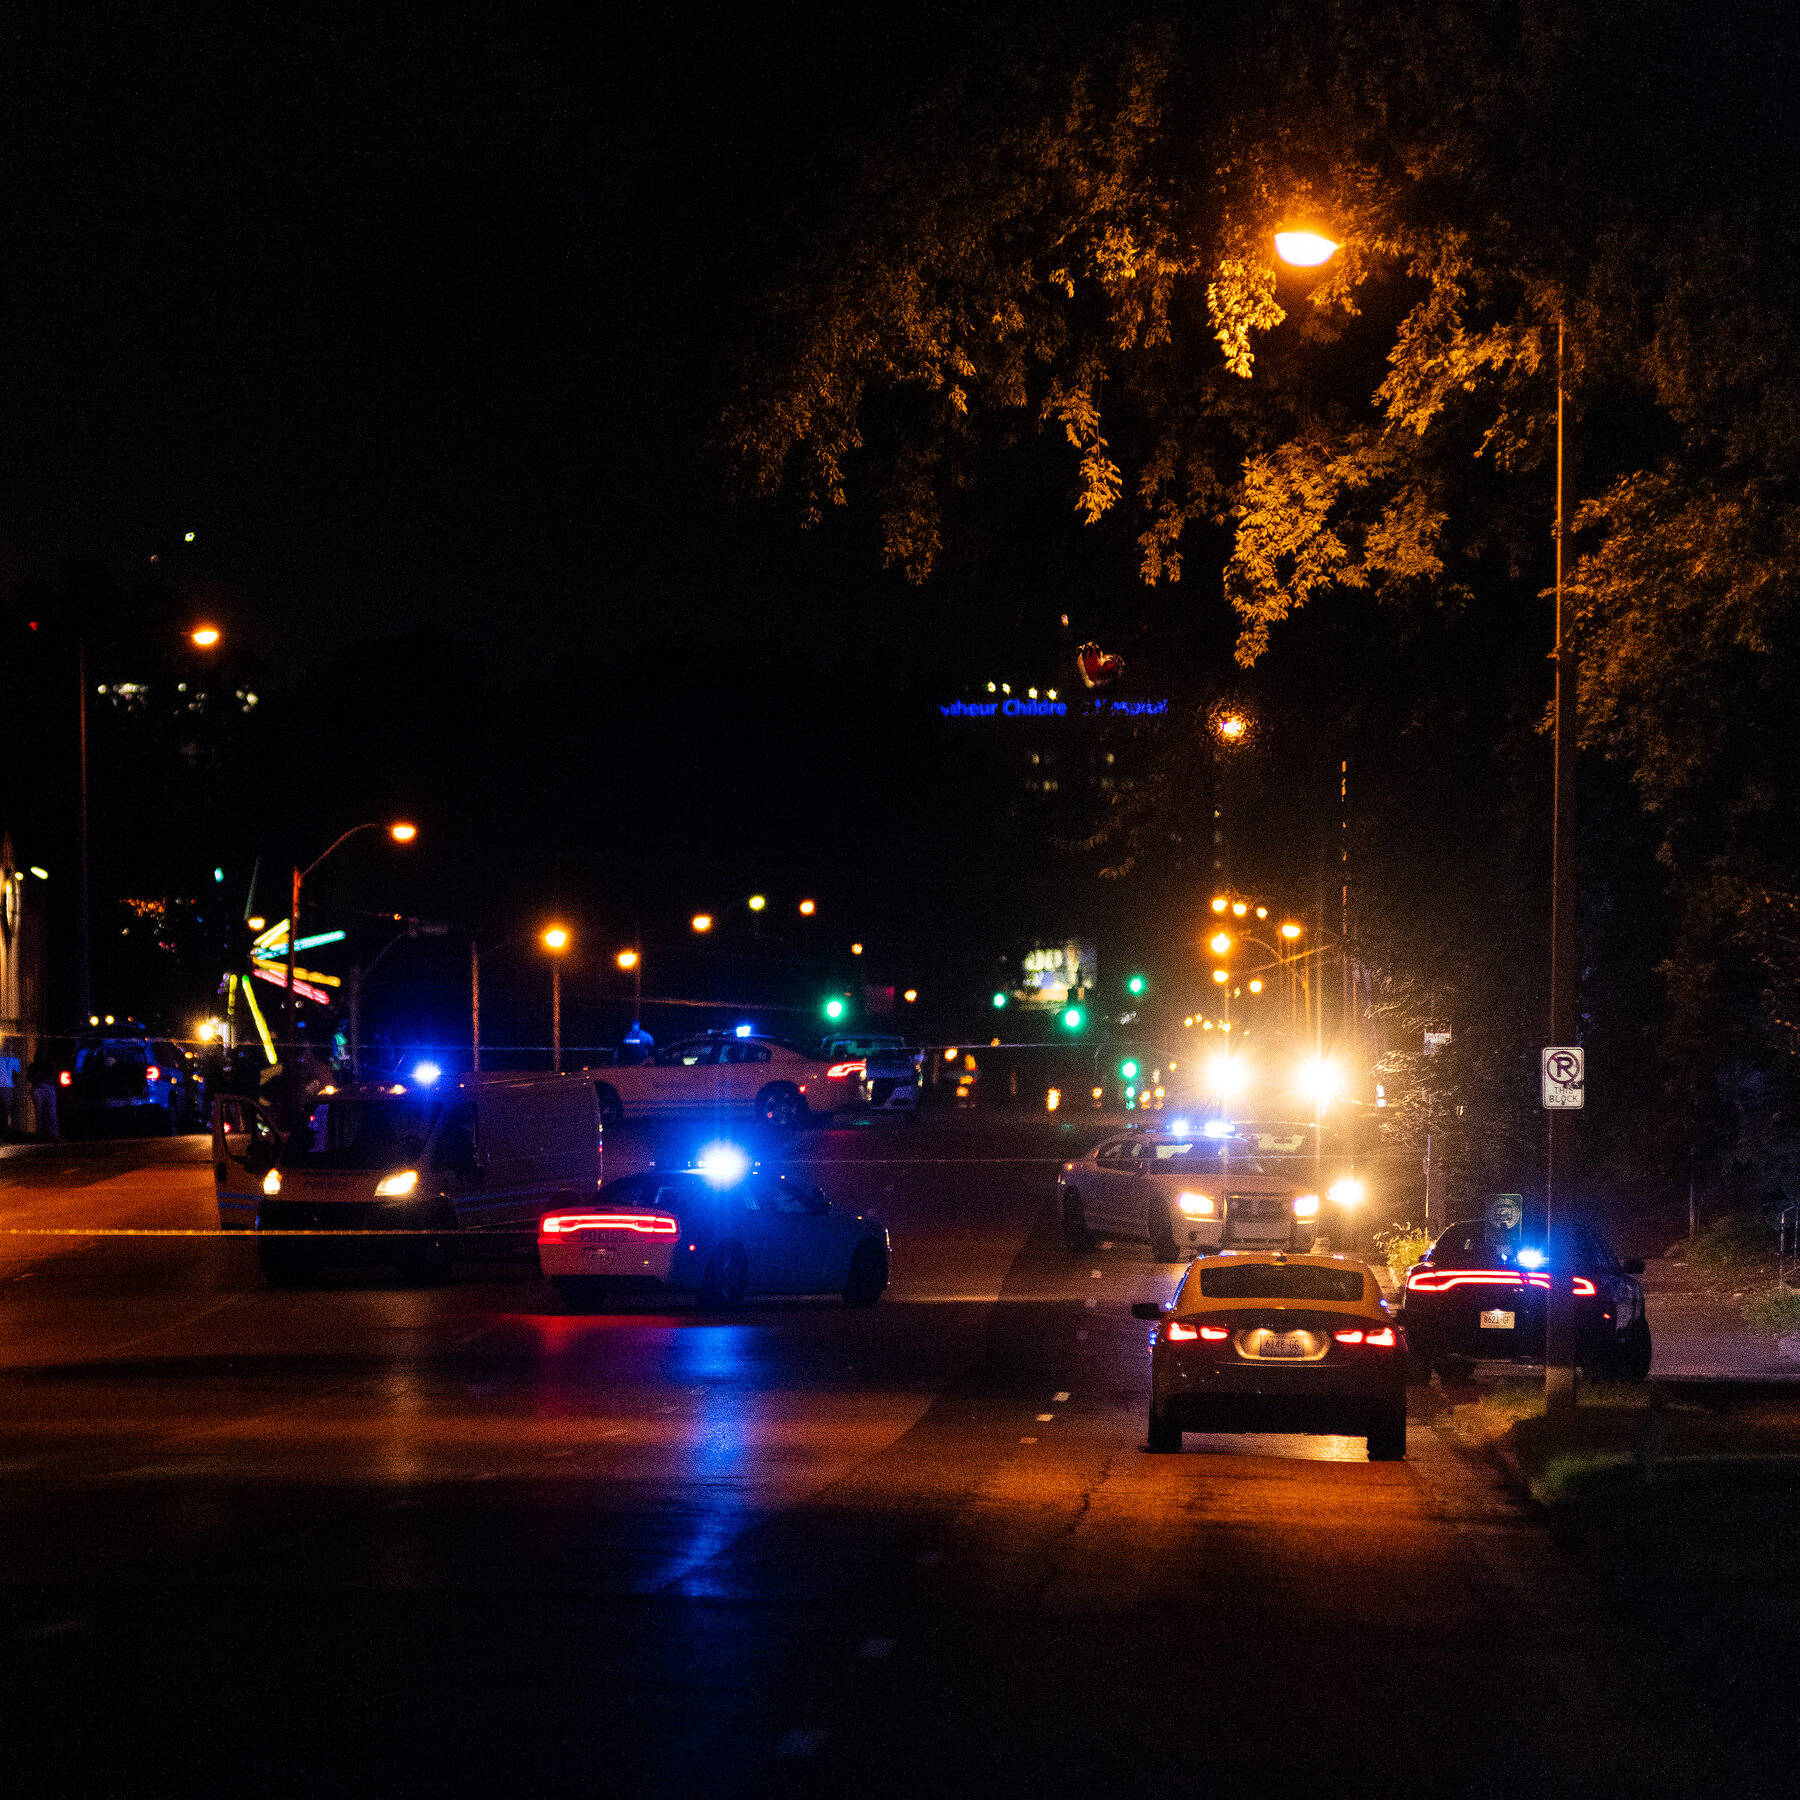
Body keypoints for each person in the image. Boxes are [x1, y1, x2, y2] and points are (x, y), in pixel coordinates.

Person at [27, 1056, 60, 1141]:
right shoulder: (36, 1066)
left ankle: (48, 1134)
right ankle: (48, 1134)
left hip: (41, 1087)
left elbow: (30, 1077)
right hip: (42, 1087)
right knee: (45, 1112)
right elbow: (29, 1077)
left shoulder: (36, 1065)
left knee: (44, 1112)